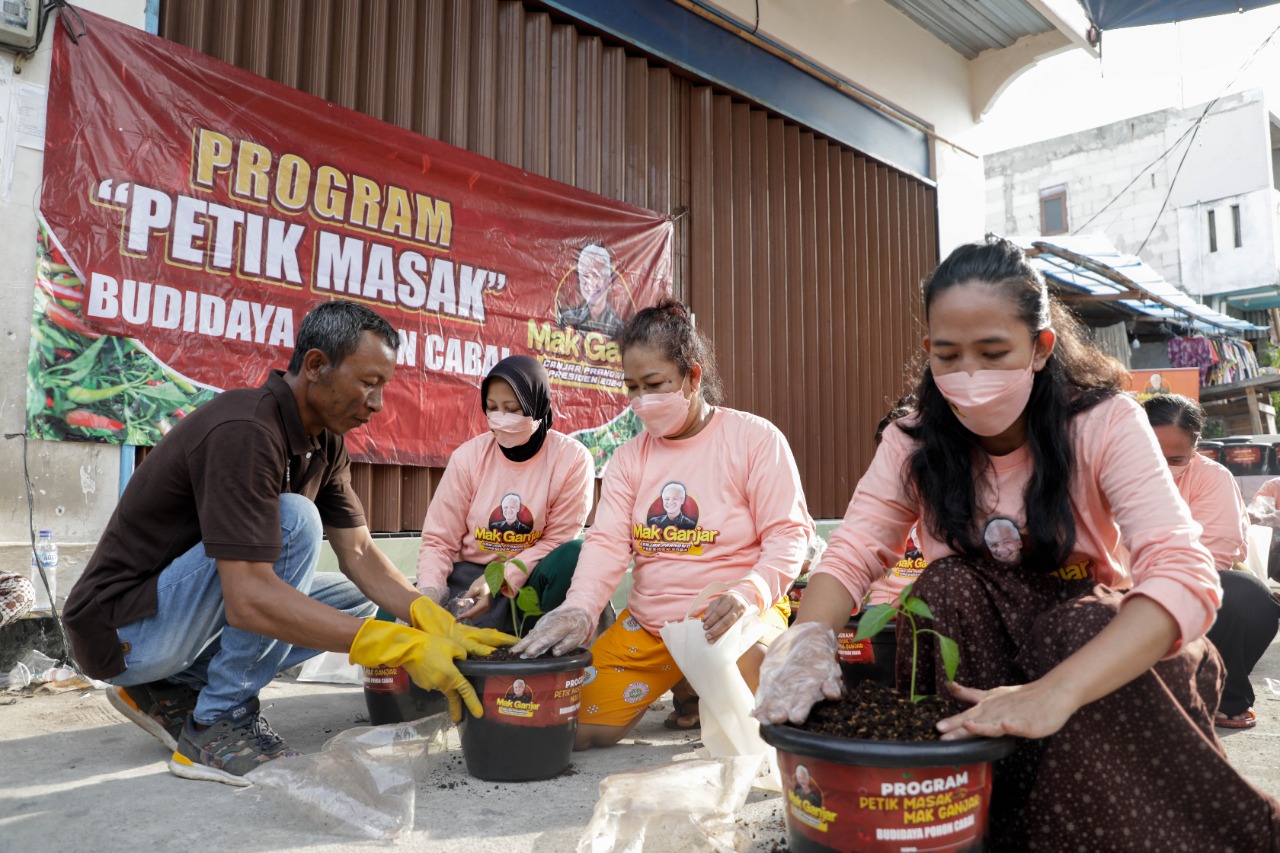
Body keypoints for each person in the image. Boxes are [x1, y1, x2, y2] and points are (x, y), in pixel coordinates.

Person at [754, 236, 1280, 849]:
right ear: (929, 353)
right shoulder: (913, 438)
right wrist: (809, 637)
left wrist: (1052, 693)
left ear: (1040, 347)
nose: (970, 374)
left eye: (993, 351)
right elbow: (856, 548)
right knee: (943, 588)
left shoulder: (1104, 422)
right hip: (977, 634)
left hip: (1089, 636)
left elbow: (1182, 571)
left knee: (1073, 634)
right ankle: (964, 806)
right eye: (949, 355)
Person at [63, 300, 513, 787]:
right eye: (368, 382)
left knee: (360, 598)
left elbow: (359, 553)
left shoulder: (324, 441)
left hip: (173, 625)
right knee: (295, 519)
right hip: (124, 632)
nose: (378, 404)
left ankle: (171, 689)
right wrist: (395, 647)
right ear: (317, 366)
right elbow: (250, 600)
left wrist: (429, 619)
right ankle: (216, 722)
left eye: (384, 386)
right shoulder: (246, 429)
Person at [513, 299, 814, 750]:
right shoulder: (630, 458)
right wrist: (580, 607)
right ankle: (690, 687)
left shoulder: (755, 440)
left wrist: (747, 594)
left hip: (731, 620)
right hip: (650, 628)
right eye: (631, 388)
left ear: (693, 377)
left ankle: (705, 688)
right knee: (562, 726)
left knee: (775, 720)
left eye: (654, 384)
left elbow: (789, 534)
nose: (641, 402)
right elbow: (608, 544)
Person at [416, 355, 594, 633]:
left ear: (538, 405)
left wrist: (499, 579)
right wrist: (428, 594)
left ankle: (539, 639)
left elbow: (557, 542)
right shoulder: (468, 458)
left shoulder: (571, 459)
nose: (502, 418)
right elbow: (439, 541)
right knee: (393, 612)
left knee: (574, 554)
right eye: (492, 408)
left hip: (529, 580)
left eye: (512, 409)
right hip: (467, 583)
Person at [1143, 393, 1280, 730]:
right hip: (1123, 587)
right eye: (1151, 455)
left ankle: (1222, 694)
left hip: (1187, 587)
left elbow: (1214, 553)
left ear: (1196, 446)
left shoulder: (1212, 478)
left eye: (1176, 459)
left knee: (1245, 594)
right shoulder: (1104, 470)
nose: (1163, 468)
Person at [557, 243, 624, 337]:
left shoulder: (619, 329)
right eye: (585, 275)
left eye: (596, 276)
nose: (590, 283)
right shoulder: (568, 320)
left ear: (609, 283)